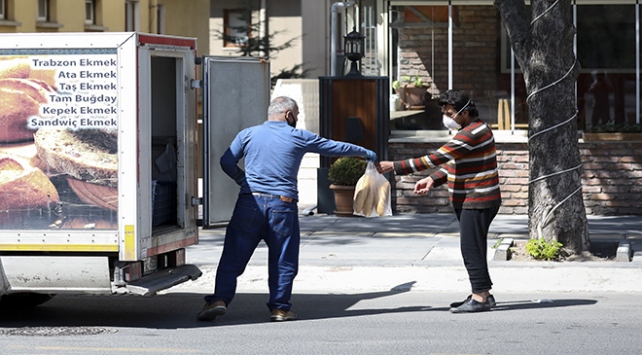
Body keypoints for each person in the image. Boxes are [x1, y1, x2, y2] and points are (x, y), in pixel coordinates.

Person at [197, 96, 376, 322]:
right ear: (288, 115)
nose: (297, 119)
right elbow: (333, 147)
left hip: (249, 204)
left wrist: (242, 180)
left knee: (233, 255)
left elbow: (226, 161)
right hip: (283, 206)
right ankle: (280, 309)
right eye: (297, 115)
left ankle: (218, 300)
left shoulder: (248, 134)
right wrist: (364, 152)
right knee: (284, 257)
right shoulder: (298, 136)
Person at [376, 90, 501, 313]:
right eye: (444, 111)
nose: (446, 116)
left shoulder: (471, 133)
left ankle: (480, 297)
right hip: (476, 198)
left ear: (465, 112)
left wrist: (393, 166)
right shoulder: (471, 128)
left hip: (477, 198)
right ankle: (484, 293)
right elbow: (454, 163)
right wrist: (433, 179)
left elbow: (435, 158)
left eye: (450, 112)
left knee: (471, 248)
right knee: (475, 246)